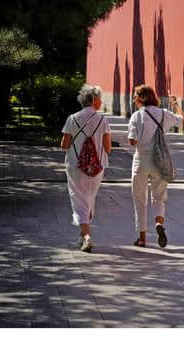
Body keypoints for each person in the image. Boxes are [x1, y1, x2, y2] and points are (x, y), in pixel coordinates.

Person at [127, 85, 184, 247]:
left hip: (140, 162)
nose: (133, 99)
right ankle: (159, 224)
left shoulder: (136, 117)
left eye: (135, 96)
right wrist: (174, 104)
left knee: (139, 198)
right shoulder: (163, 114)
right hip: (159, 162)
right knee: (159, 197)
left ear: (142, 97)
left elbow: (132, 141)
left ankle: (142, 238)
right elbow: (183, 121)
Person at [60, 84, 111, 252]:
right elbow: (108, 148)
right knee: (90, 198)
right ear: (94, 101)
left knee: (78, 198)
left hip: (75, 165)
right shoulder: (103, 120)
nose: (101, 102)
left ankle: (87, 235)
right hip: (97, 166)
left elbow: (64, 145)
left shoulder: (72, 118)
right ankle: (83, 235)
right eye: (100, 99)